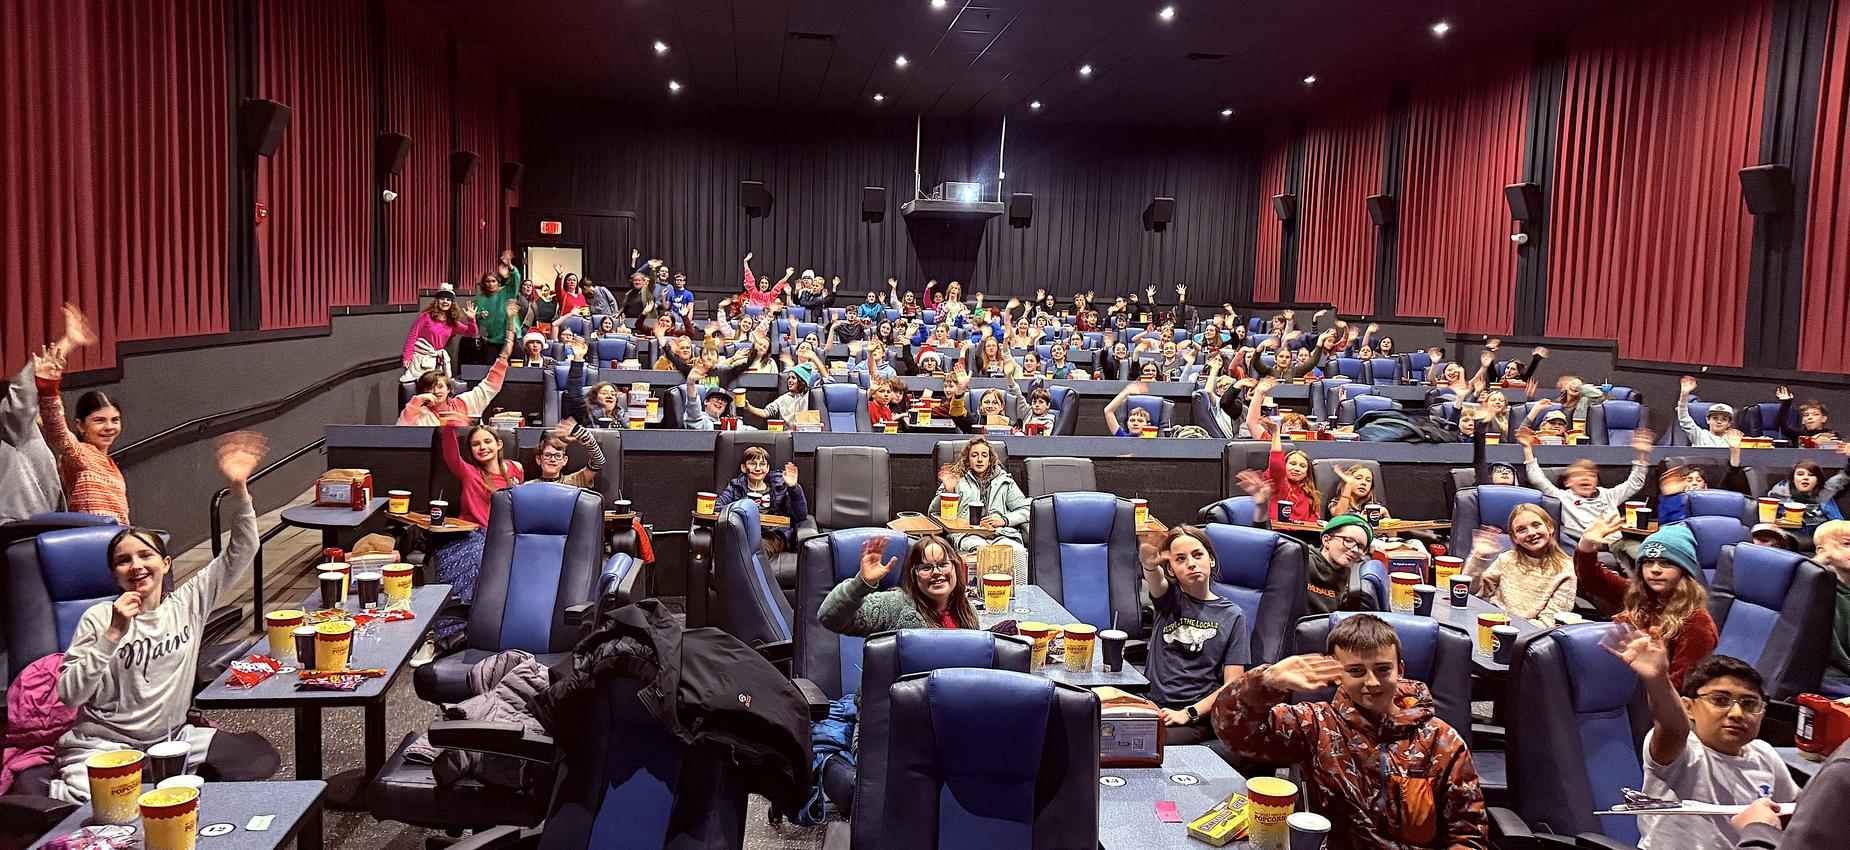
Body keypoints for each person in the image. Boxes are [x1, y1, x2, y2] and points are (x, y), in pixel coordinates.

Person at [45, 433, 278, 803]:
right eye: (123, 561)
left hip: (171, 741)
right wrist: (113, 634)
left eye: (145, 556)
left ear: (165, 564)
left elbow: (242, 550)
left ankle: (158, 781)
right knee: (94, 800)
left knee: (256, 759)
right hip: (103, 745)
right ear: (114, 575)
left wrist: (239, 490)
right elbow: (70, 694)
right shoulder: (99, 617)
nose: (136, 566)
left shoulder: (187, 602)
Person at [1214, 613, 1488, 849]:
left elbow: (1468, 835)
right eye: (1356, 671)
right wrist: (1265, 682)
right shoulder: (1315, 724)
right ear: (1338, 674)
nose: (1372, 682)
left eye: (1383, 669)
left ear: (1400, 670)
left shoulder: (1442, 741)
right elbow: (1234, 733)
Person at [1608, 634, 1796, 850]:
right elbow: (1673, 728)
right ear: (1689, 708)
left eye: (1749, 704)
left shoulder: (1765, 754)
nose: (1737, 713)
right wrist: (1658, 680)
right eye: (1720, 700)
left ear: (1762, 714)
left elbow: (1800, 805)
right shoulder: (1684, 753)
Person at [1575, 515, 1717, 687]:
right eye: (1648, 562)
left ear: (1684, 570)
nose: (1655, 570)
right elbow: (1595, 580)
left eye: (1665, 563)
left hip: (1650, 696)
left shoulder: (1698, 624)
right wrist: (1586, 545)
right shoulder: (1640, 595)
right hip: (1616, 681)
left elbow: (1680, 685)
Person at [1140, 526, 1249, 745]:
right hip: (1152, 705)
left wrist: (1188, 713)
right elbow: (1156, 581)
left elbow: (1232, 684)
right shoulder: (1168, 599)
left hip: (1193, 717)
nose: (1191, 563)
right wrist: (1150, 565)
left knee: (1144, 743)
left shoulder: (1233, 615)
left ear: (1211, 560)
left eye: (1197, 555)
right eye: (1180, 559)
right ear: (1171, 569)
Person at [33, 313, 129, 524]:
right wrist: (48, 387)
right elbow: (57, 428)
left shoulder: (110, 464)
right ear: (81, 425)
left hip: (115, 539)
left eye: (115, 420)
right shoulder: (82, 455)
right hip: (93, 540)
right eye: (99, 420)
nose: (109, 427)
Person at [434, 423, 524, 636]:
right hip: (472, 534)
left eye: (487, 441)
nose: (482, 447)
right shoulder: (469, 472)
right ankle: (454, 631)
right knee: (478, 558)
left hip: (506, 534)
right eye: (476, 444)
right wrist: (450, 426)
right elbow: (451, 455)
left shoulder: (516, 469)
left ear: (499, 444)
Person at [4, 305, 87, 523]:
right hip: (20, 526)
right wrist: (67, 342)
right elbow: (21, 400)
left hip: (37, 522)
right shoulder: (14, 428)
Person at [818, 534, 976, 635]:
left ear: (956, 568)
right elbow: (829, 617)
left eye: (943, 565)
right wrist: (861, 583)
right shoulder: (895, 604)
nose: (936, 572)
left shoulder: (967, 611)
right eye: (926, 568)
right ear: (913, 575)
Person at [1516, 427, 1653, 542]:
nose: (1586, 478)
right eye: (1578, 475)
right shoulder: (1562, 497)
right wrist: (1527, 448)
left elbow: (1634, 483)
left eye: (1591, 475)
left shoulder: (1609, 495)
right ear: (1567, 482)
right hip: (1585, 543)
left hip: (1617, 542)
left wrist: (1642, 454)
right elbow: (1537, 479)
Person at [398, 303, 518, 426]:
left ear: (449, 389)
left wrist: (505, 353)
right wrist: (417, 400)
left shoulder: (464, 403)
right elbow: (403, 429)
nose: (435, 391)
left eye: (440, 386)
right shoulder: (420, 413)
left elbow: (491, 385)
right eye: (429, 388)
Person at [934, 438, 1030, 583]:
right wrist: (948, 490)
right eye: (974, 455)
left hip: (1000, 534)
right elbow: (933, 512)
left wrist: (1003, 520)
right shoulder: (956, 479)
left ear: (990, 460)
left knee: (1017, 551)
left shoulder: (1005, 481)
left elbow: (1026, 509)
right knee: (983, 551)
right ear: (967, 460)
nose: (979, 459)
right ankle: (978, 595)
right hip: (968, 535)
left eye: (984, 455)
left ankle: (1021, 593)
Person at [1465, 504, 1577, 625]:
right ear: (1514, 538)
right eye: (1521, 530)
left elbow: (1549, 623)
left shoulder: (1566, 568)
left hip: (1529, 632)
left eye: (1536, 525)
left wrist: (1508, 628)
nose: (1531, 533)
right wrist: (1479, 557)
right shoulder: (1507, 558)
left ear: (1550, 527)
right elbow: (1472, 590)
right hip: (1493, 620)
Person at [714, 447, 809, 554]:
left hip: (771, 534)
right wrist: (741, 510)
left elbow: (800, 515)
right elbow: (717, 508)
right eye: (752, 464)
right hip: (742, 532)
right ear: (744, 468)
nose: (758, 468)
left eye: (762, 464)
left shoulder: (778, 488)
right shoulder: (735, 487)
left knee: (754, 548)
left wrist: (793, 488)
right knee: (736, 546)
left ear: (767, 468)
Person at [400, 285, 478, 381]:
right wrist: (407, 357)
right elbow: (413, 336)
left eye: (448, 299)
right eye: (442, 299)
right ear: (437, 301)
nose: (445, 301)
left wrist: (471, 320)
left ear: (452, 303)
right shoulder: (426, 317)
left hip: (437, 361)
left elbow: (472, 333)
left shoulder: (452, 322)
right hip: (420, 358)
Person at [1764, 448, 1850, 531]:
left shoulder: (1825, 492)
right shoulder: (1779, 495)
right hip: (1791, 534)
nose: (1805, 478)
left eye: (1811, 475)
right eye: (1800, 474)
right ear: (1793, 479)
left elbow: (1845, 475)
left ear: (1817, 481)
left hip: (1824, 534)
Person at [528, 418, 604, 488]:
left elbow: (598, 462)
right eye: (547, 455)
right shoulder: (528, 487)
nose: (553, 459)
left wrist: (588, 440)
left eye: (558, 455)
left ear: (564, 460)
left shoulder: (574, 481)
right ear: (538, 459)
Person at [470, 270, 522, 365]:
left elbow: (516, 280)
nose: (491, 284)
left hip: (511, 336)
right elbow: (476, 319)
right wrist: (480, 315)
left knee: (514, 367)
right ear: (484, 283)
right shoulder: (480, 299)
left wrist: (511, 269)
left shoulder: (506, 292)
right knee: (490, 366)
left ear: (498, 282)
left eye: (493, 281)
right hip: (493, 340)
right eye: (488, 281)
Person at [1676, 376, 1734, 448]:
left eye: (1724, 419)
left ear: (1729, 423)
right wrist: (1684, 395)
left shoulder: (1733, 439)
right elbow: (1684, 419)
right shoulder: (1699, 435)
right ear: (1708, 420)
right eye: (1715, 418)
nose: (1719, 421)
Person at [1771, 386, 1836, 444]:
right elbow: (1779, 425)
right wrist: (1786, 403)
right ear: (1803, 420)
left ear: (1823, 418)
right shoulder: (1798, 436)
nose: (1810, 417)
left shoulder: (1831, 436)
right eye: (1806, 415)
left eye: (1815, 414)